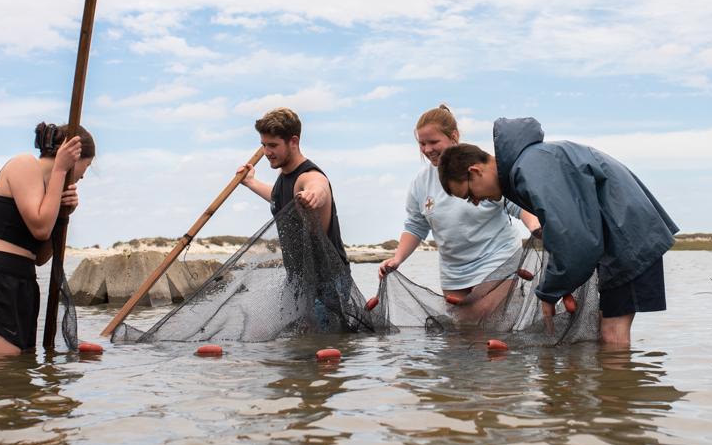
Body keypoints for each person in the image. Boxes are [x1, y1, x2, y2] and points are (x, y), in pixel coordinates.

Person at [437, 117, 677, 347]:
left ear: (476, 171)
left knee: (613, 334)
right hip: (622, 234)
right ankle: (614, 386)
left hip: (629, 237)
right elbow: (566, 232)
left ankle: (619, 385)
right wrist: (559, 284)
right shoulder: (528, 164)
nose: (476, 202)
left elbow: (576, 240)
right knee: (606, 330)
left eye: (469, 195)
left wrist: (549, 293)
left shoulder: (529, 169)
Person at [0, 123, 95, 355]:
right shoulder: (24, 164)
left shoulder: (48, 191)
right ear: (72, 156)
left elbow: (39, 256)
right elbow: (40, 228)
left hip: (23, 287)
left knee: (21, 379)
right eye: (86, 165)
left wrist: (62, 216)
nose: (84, 174)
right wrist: (61, 170)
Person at [378, 104, 540, 304]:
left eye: (433, 141)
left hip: (498, 260)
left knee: (489, 327)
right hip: (454, 274)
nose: (427, 149)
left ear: (453, 136)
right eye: (422, 144)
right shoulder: (420, 183)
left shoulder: (479, 167)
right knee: (460, 332)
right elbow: (415, 225)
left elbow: (516, 203)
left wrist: (534, 225)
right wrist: (398, 258)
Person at [238, 107, 347, 265]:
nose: (267, 152)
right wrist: (251, 182)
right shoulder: (284, 175)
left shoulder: (308, 175)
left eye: (273, 145)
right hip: (300, 278)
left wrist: (313, 195)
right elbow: (279, 197)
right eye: (264, 145)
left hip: (330, 281)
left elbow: (319, 186)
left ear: (293, 142)